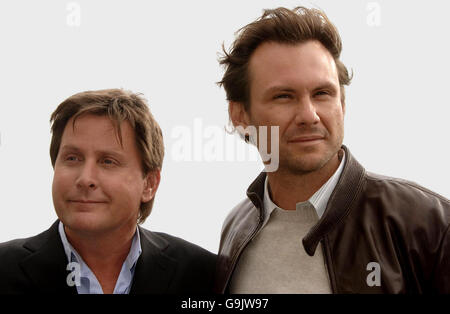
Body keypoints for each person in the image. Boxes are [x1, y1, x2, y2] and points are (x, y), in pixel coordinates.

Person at [215, 7, 449, 294]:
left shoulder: (430, 224)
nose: (309, 115)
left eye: (322, 94)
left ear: (343, 104)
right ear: (240, 115)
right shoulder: (235, 229)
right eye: (284, 96)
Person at [0, 89, 216, 294]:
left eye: (108, 162)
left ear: (149, 183)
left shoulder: (203, 276)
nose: (86, 179)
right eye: (72, 158)